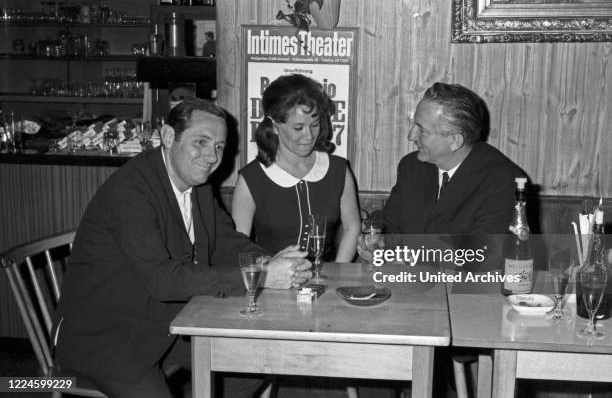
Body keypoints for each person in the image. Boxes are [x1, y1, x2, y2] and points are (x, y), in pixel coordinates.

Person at [52, 99, 311, 398]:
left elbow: (224, 239)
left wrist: (269, 261)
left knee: (256, 363)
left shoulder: (195, 181)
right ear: (168, 136)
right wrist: (261, 276)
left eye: (219, 146)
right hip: (104, 337)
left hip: (163, 322)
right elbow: (164, 281)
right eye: (201, 142)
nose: (211, 156)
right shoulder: (131, 193)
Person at [360, 82, 525, 270]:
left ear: (455, 140)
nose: (411, 135)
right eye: (414, 125)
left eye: (422, 130)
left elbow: (479, 259)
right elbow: (391, 225)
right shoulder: (412, 166)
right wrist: (378, 241)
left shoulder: (502, 181)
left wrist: (405, 258)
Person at [231, 74, 361, 264]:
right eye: (298, 127)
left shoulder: (338, 170)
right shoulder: (252, 178)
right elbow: (238, 246)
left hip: (326, 281)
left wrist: (337, 273)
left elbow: (352, 228)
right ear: (275, 126)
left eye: (315, 125)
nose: (309, 136)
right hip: (274, 284)